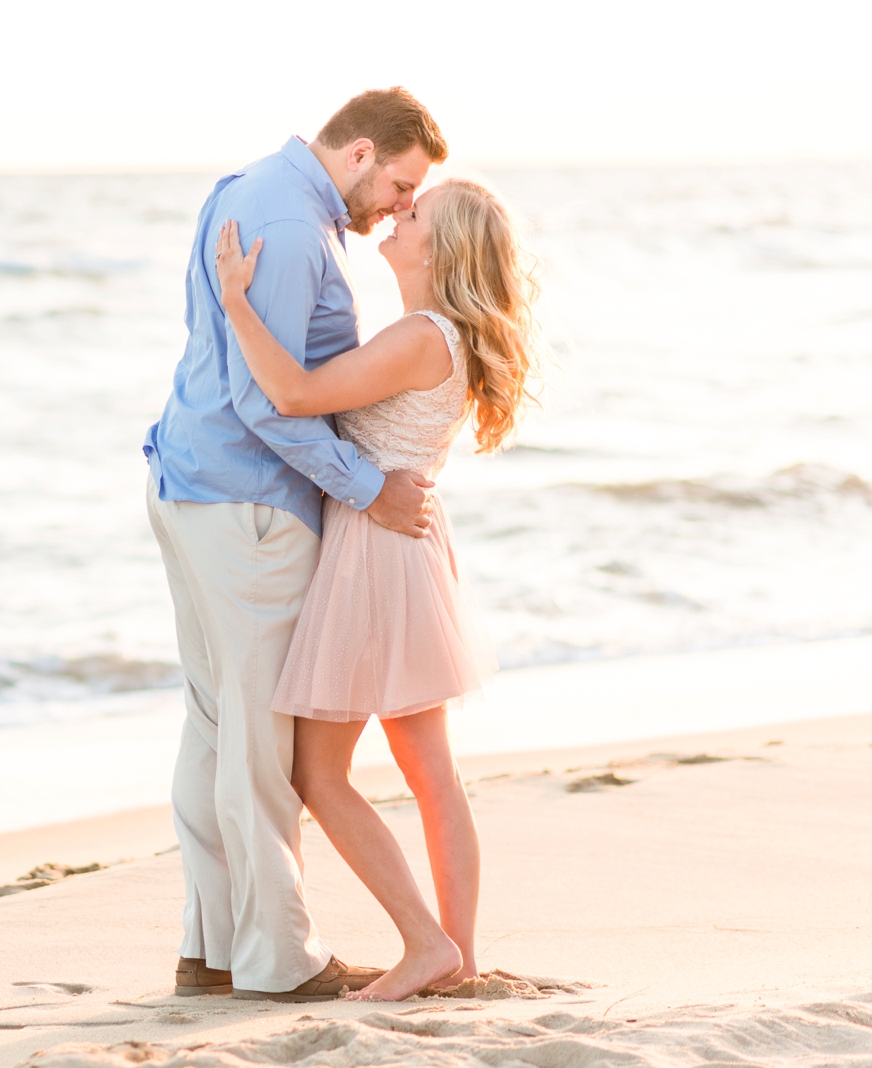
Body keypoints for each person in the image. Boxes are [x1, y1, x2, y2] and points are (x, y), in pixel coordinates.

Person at [143, 87, 447, 1001]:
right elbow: (265, 398)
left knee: (215, 727)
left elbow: (229, 362)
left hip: (194, 485)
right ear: (359, 153)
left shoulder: (249, 189)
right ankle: (279, 959)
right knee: (260, 744)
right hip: (250, 506)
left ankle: (215, 947)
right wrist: (369, 489)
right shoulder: (288, 218)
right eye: (398, 185)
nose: (398, 206)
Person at [213, 176, 539, 1000]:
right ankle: (452, 954)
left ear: (441, 247)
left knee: (319, 774)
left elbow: (293, 395)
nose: (397, 215)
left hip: (372, 553)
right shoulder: (440, 336)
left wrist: (237, 306)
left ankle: (426, 946)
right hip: (406, 551)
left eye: (414, 213)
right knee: (430, 770)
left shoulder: (422, 337)